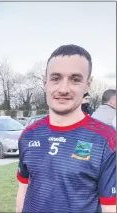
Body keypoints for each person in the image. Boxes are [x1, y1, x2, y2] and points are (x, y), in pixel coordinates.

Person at [16, 44, 116, 213]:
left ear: (87, 85)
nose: (63, 89)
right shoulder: (28, 134)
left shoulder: (107, 139)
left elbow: (110, 207)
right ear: (45, 83)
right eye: (56, 78)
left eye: (75, 79)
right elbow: (23, 190)